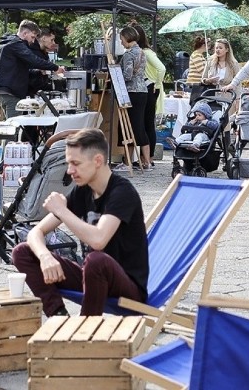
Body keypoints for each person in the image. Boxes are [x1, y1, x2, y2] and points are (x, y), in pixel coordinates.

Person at [11, 129, 149, 317]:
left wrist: (61, 210)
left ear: (98, 161)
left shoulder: (122, 192)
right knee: (22, 252)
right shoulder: (83, 191)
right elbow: (36, 232)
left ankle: (85, 327)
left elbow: (99, 240)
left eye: (75, 163)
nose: (69, 171)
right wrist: (45, 257)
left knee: (96, 259)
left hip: (127, 288)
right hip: (91, 277)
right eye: (68, 163)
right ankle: (58, 316)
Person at [0, 20, 65, 118]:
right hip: (11, 91)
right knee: (15, 125)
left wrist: (36, 71)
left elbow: (17, 68)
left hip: (3, 90)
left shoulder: (7, 44)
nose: (33, 41)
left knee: (11, 123)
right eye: (32, 37)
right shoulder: (16, 44)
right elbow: (34, 60)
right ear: (25, 33)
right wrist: (55, 67)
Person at [115, 26, 152, 171]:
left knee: (127, 127)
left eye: (122, 39)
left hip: (131, 92)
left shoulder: (129, 54)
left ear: (127, 38)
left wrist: (115, 76)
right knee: (139, 126)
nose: (121, 42)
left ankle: (128, 161)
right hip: (142, 91)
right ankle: (146, 162)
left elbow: (128, 75)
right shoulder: (142, 52)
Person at [133, 24, 166, 169]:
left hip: (150, 88)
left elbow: (161, 68)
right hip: (149, 87)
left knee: (147, 124)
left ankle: (149, 157)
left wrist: (156, 85)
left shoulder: (145, 52)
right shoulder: (144, 51)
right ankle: (146, 157)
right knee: (147, 124)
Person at [202, 38, 241, 114]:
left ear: (227, 49)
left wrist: (238, 99)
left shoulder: (233, 64)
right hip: (211, 95)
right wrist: (209, 80)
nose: (218, 50)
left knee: (226, 121)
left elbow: (238, 82)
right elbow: (203, 79)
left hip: (228, 96)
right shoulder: (210, 61)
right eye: (216, 48)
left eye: (220, 48)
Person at [27, 28, 59, 97]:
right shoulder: (32, 52)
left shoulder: (43, 53)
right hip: (31, 93)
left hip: (38, 91)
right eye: (52, 40)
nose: (53, 43)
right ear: (44, 38)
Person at [186, 35, 209, 106]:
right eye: (208, 44)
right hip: (195, 85)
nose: (209, 47)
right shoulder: (196, 55)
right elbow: (201, 70)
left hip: (198, 85)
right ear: (203, 45)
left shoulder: (200, 55)